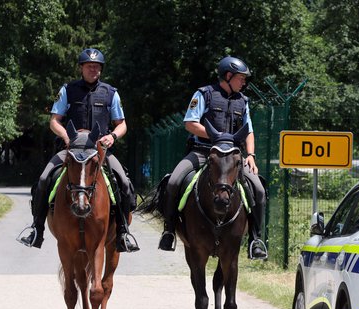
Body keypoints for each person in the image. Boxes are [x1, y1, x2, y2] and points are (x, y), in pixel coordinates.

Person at [17, 48, 139, 253]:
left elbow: (122, 124)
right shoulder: (68, 90)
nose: (94, 69)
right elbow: (54, 121)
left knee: (124, 184)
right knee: (44, 179)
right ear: (81, 68)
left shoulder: (111, 93)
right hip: (71, 150)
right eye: (90, 66)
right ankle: (36, 229)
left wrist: (112, 136)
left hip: (99, 152)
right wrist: (66, 137)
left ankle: (123, 233)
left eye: (97, 67)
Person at [158, 56, 268, 259]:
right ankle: (169, 231)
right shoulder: (204, 94)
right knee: (173, 182)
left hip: (232, 157)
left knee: (259, 190)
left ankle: (256, 240)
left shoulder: (243, 101)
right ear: (228, 76)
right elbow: (190, 123)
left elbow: (249, 131)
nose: (244, 82)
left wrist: (251, 155)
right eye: (241, 78)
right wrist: (217, 136)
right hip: (203, 152)